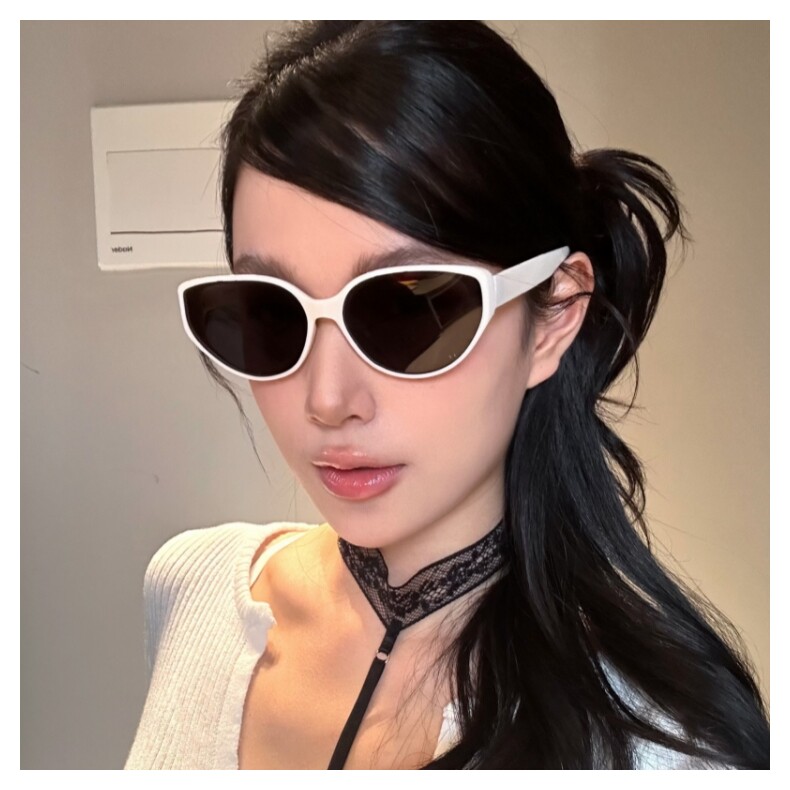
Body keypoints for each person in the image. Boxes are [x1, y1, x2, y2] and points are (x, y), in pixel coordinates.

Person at [125, 21, 769, 770]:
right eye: (273, 312)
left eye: (409, 310)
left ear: (555, 314)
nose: (328, 400)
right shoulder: (193, 588)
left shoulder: (663, 752)